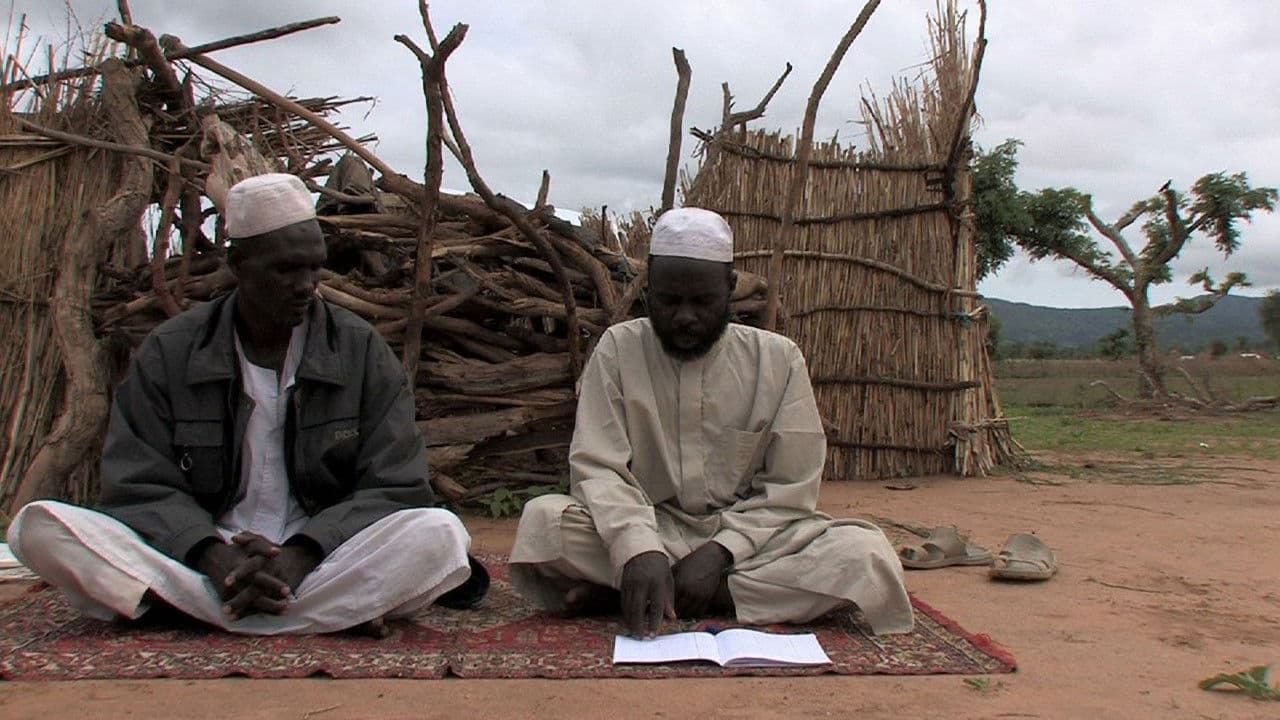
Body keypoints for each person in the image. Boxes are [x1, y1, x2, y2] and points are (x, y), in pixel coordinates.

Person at [6, 173, 485, 636]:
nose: (306, 285)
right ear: (238, 264)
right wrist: (211, 555)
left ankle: (194, 610)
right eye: (285, 269)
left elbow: (397, 485)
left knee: (441, 535)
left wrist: (303, 551)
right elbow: (138, 485)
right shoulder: (171, 351)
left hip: (321, 557)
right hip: (201, 554)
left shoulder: (360, 351)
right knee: (36, 527)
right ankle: (311, 612)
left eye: (314, 267)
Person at [509, 207, 913, 638]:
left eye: (701, 301)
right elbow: (598, 466)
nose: (685, 316)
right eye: (669, 301)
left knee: (864, 555)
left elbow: (790, 489)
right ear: (648, 292)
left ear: (730, 287)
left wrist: (722, 551)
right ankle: (674, 585)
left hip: (750, 542)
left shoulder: (778, 360)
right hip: (649, 525)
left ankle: (652, 594)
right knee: (544, 524)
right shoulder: (618, 350)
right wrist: (639, 548)